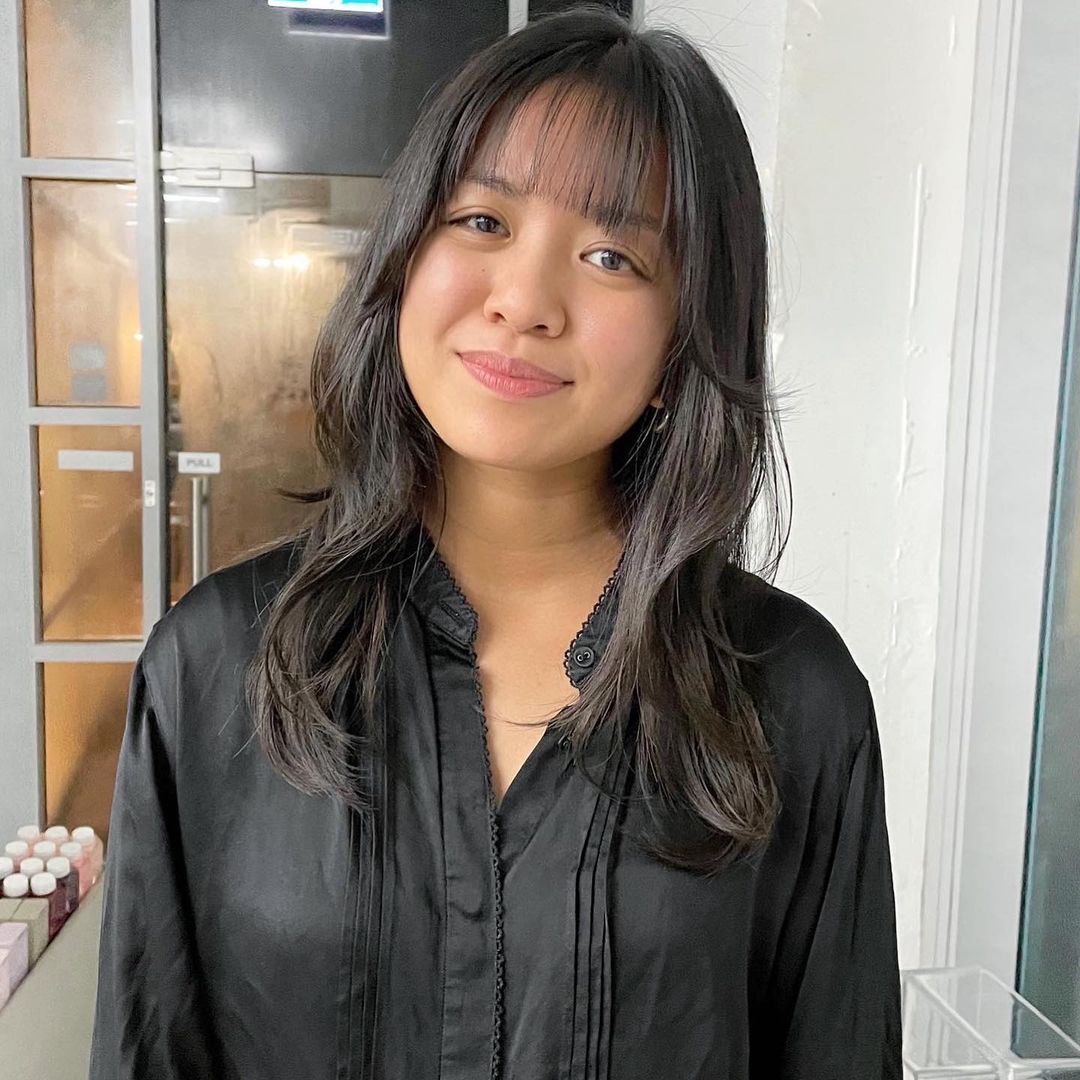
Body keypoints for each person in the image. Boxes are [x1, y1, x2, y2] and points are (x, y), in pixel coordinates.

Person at [89, 5, 902, 1078]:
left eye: (612, 255)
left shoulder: (792, 696)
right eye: (481, 220)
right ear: (404, 260)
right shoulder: (213, 666)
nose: (523, 301)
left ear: (685, 340)